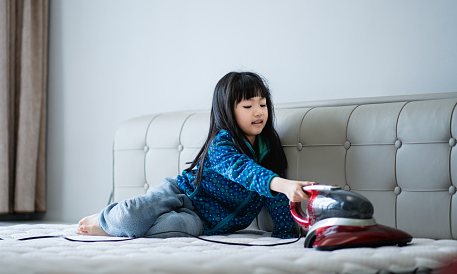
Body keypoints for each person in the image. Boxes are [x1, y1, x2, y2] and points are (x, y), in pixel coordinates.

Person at [78, 71, 314, 239]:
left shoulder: (269, 148)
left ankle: (113, 228)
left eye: (262, 105)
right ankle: (106, 220)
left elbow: (274, 198)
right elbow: (244, 171)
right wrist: (282, 184)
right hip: (181, 193)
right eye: (248, 106)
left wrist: (286, 233)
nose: (258, 112)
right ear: (228, 110)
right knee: (132, 215)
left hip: (204, 221)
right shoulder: (222, 143)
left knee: (173, 228)